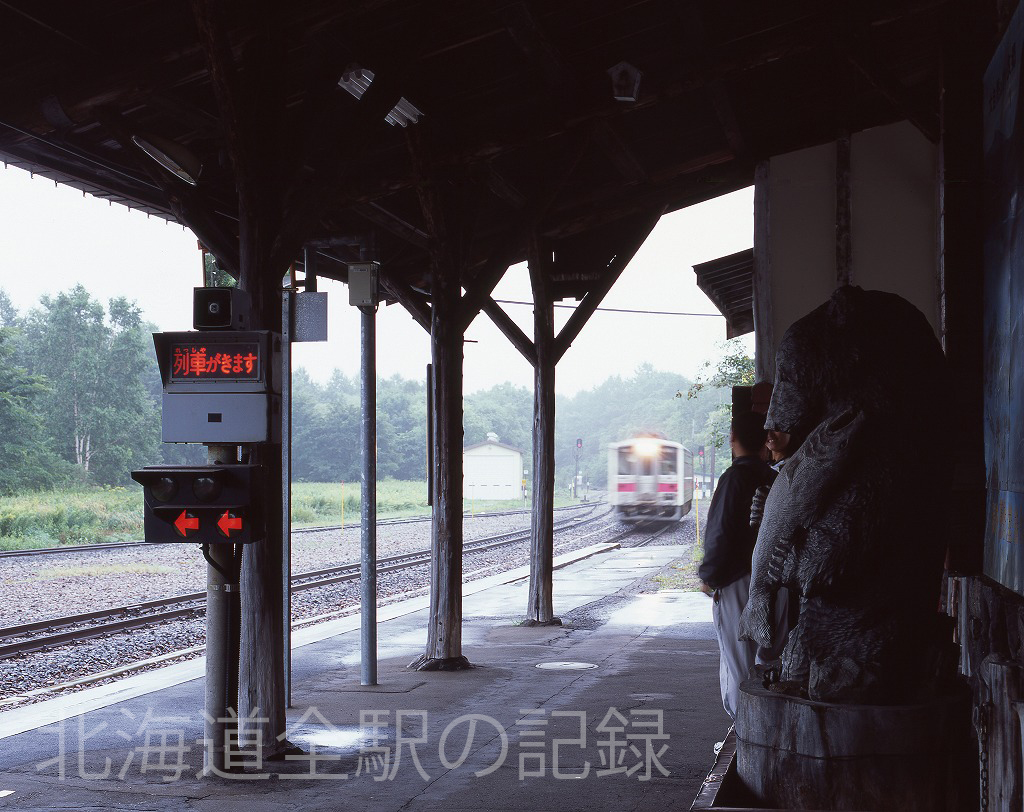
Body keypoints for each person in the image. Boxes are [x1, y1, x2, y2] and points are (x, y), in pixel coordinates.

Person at [698, 411, 774, 720]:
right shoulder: (772, 477)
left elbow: (721, 531)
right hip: (768, 578)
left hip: (736, 583)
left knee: (738, 663)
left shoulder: (734, 478)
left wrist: (709, 575)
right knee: (763, 657)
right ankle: (756, 729)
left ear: (733, 438)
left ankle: (745, 732)